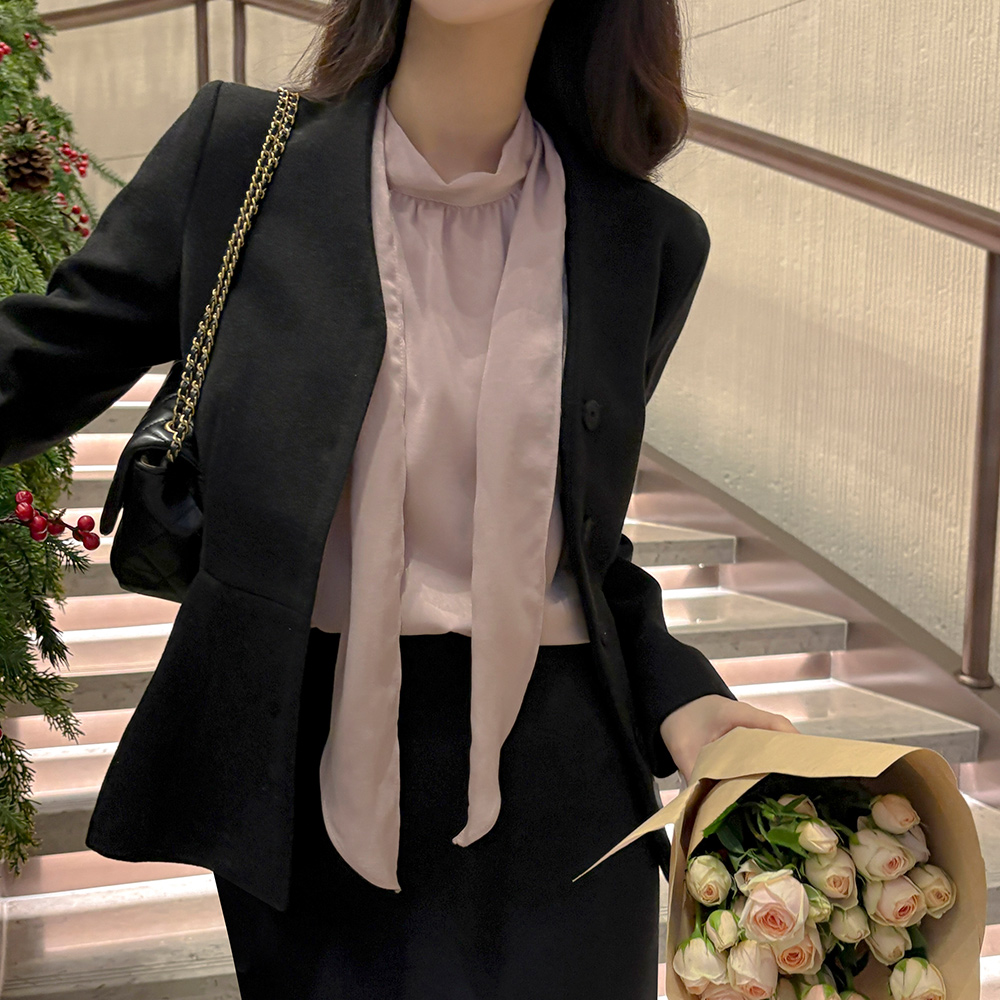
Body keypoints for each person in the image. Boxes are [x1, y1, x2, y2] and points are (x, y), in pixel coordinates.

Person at [0, 0, 798, 995]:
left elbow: (580, 549)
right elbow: (36, 365)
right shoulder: (242, 158)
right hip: (307, 755)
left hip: (566, 777)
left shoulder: (644, 238)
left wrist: (685, 696)